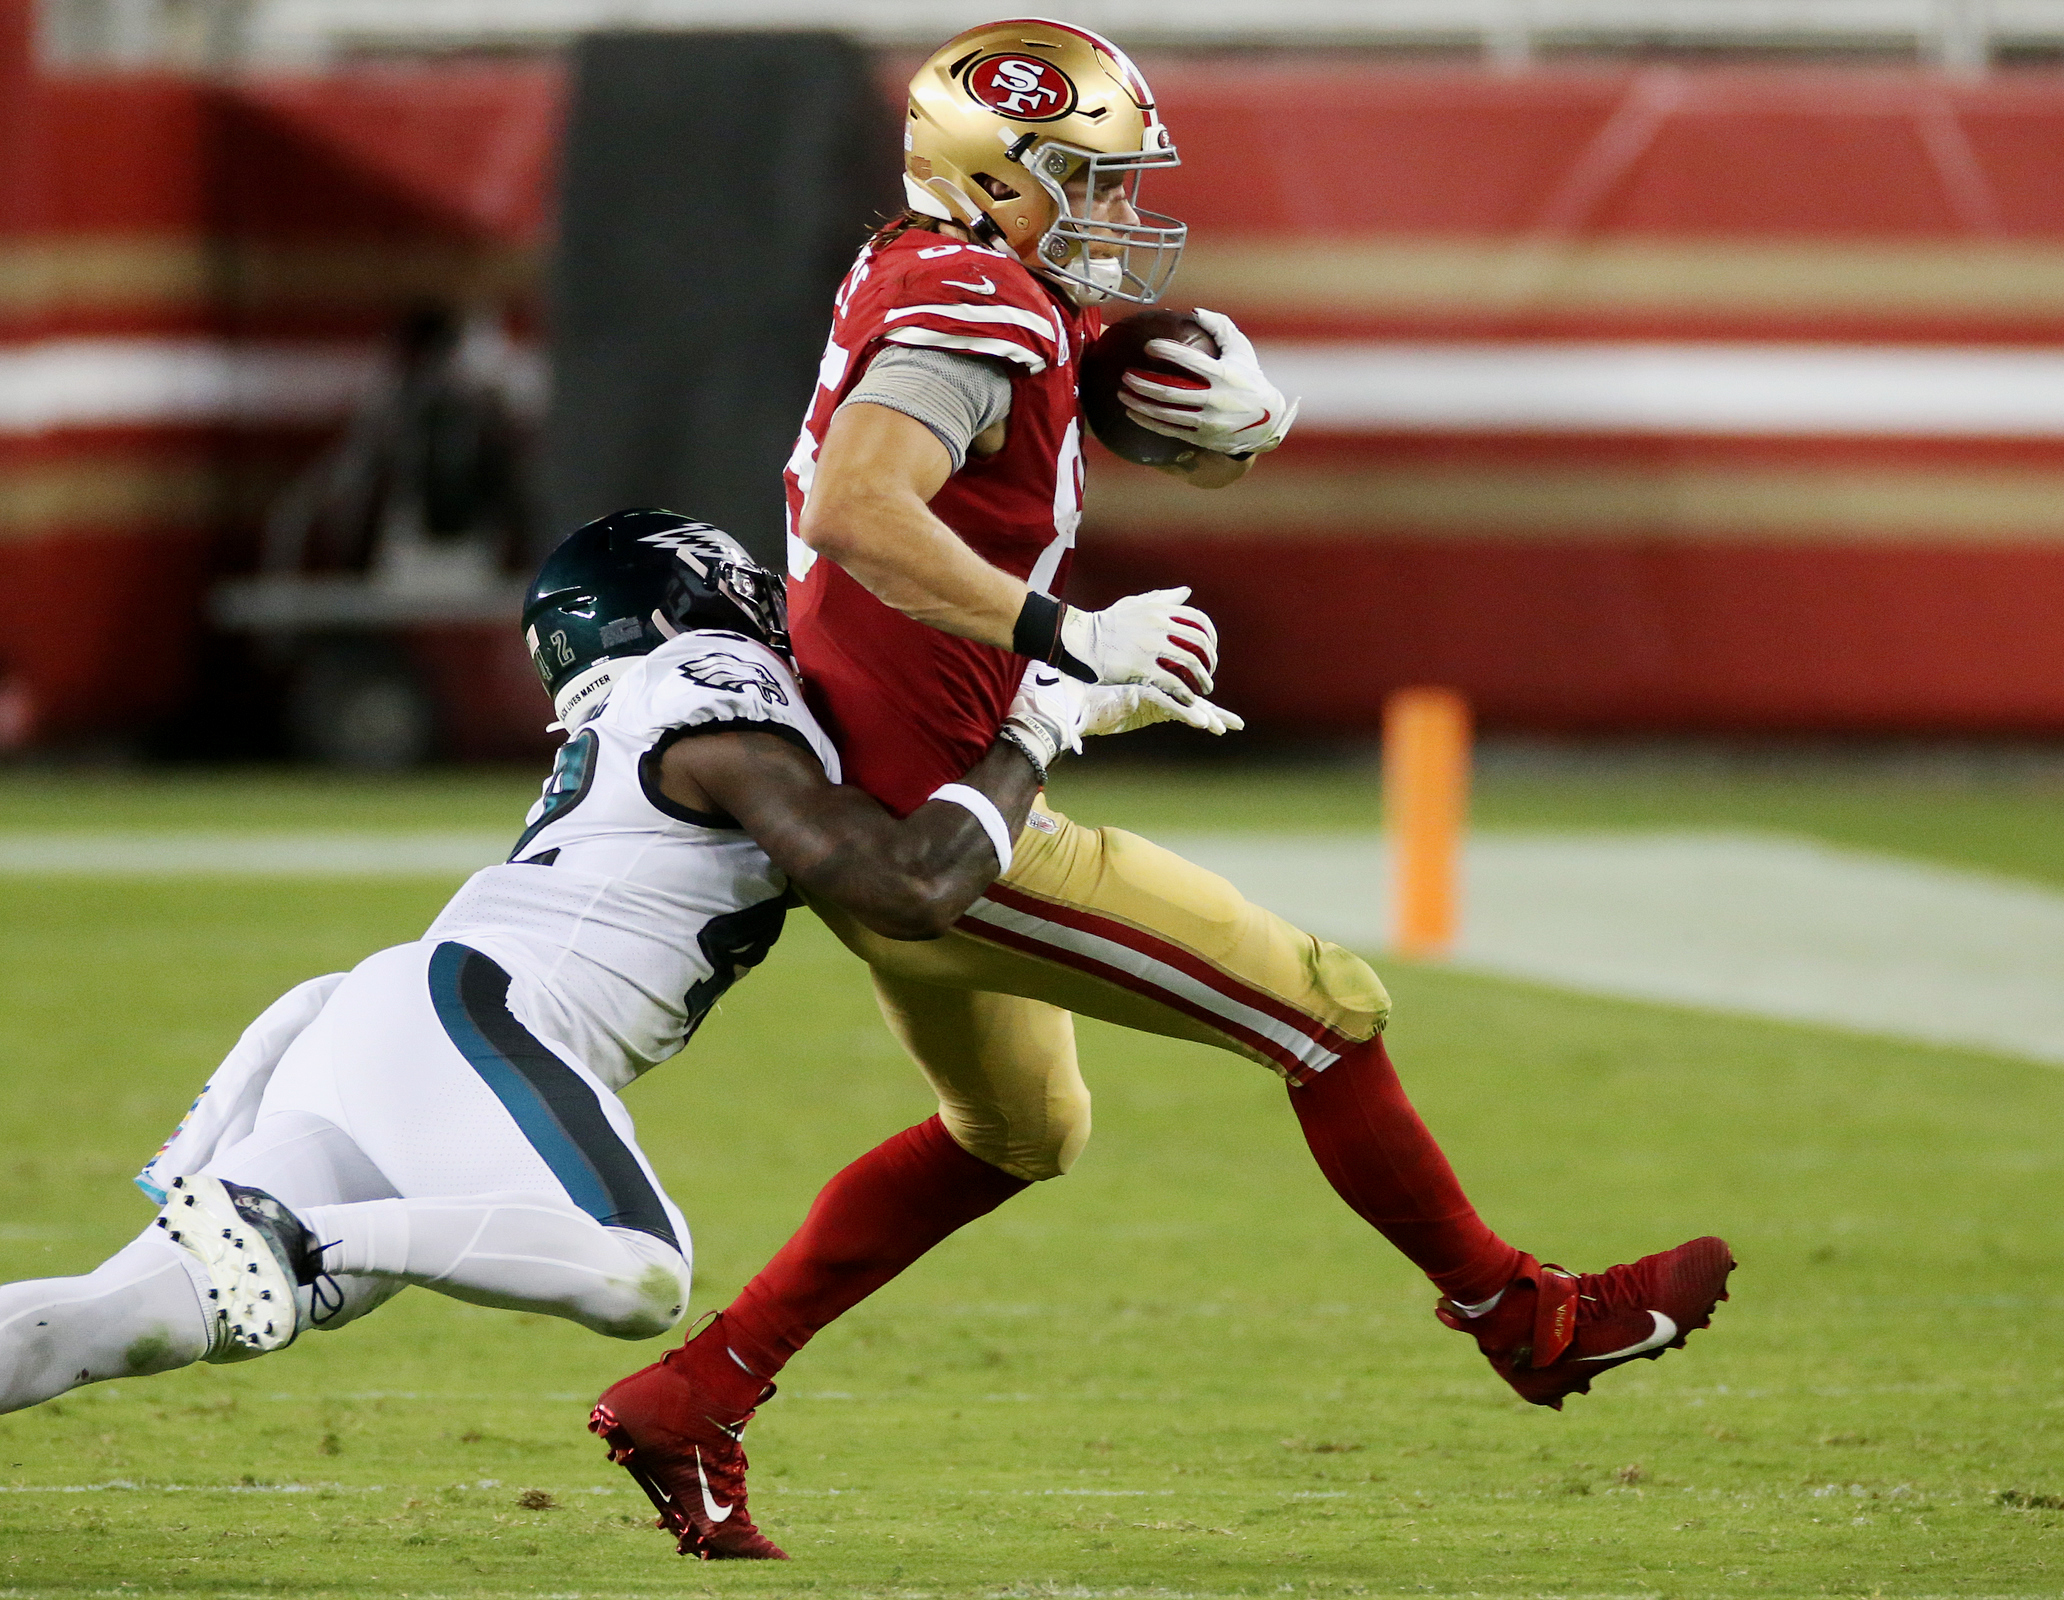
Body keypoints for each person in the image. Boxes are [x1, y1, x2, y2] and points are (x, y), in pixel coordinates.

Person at [587, 18, 1735, 1560]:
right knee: (1326, 1006)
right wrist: (1065, 638)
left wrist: (1179, 416)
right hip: (950, 828)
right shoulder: (973, 297)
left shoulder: (957, 279)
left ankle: (696, 1393)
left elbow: (983, 443)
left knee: (1019, 1129)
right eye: (1085, 180)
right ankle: (1528, 1318)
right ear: (997, 180)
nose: (1119, 212)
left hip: (897, 788)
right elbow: (867, 508)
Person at [0, 508, 1227, 1580]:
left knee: (150, 1316)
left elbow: (904, 809)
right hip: (478, 1017)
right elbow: (905, 884)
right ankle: (294, 1236)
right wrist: (1039, 727)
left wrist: (1056, 716)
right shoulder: (714, 689)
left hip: (394, 1013)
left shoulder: (654, 706)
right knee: (640, 1274)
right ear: (698, 602)